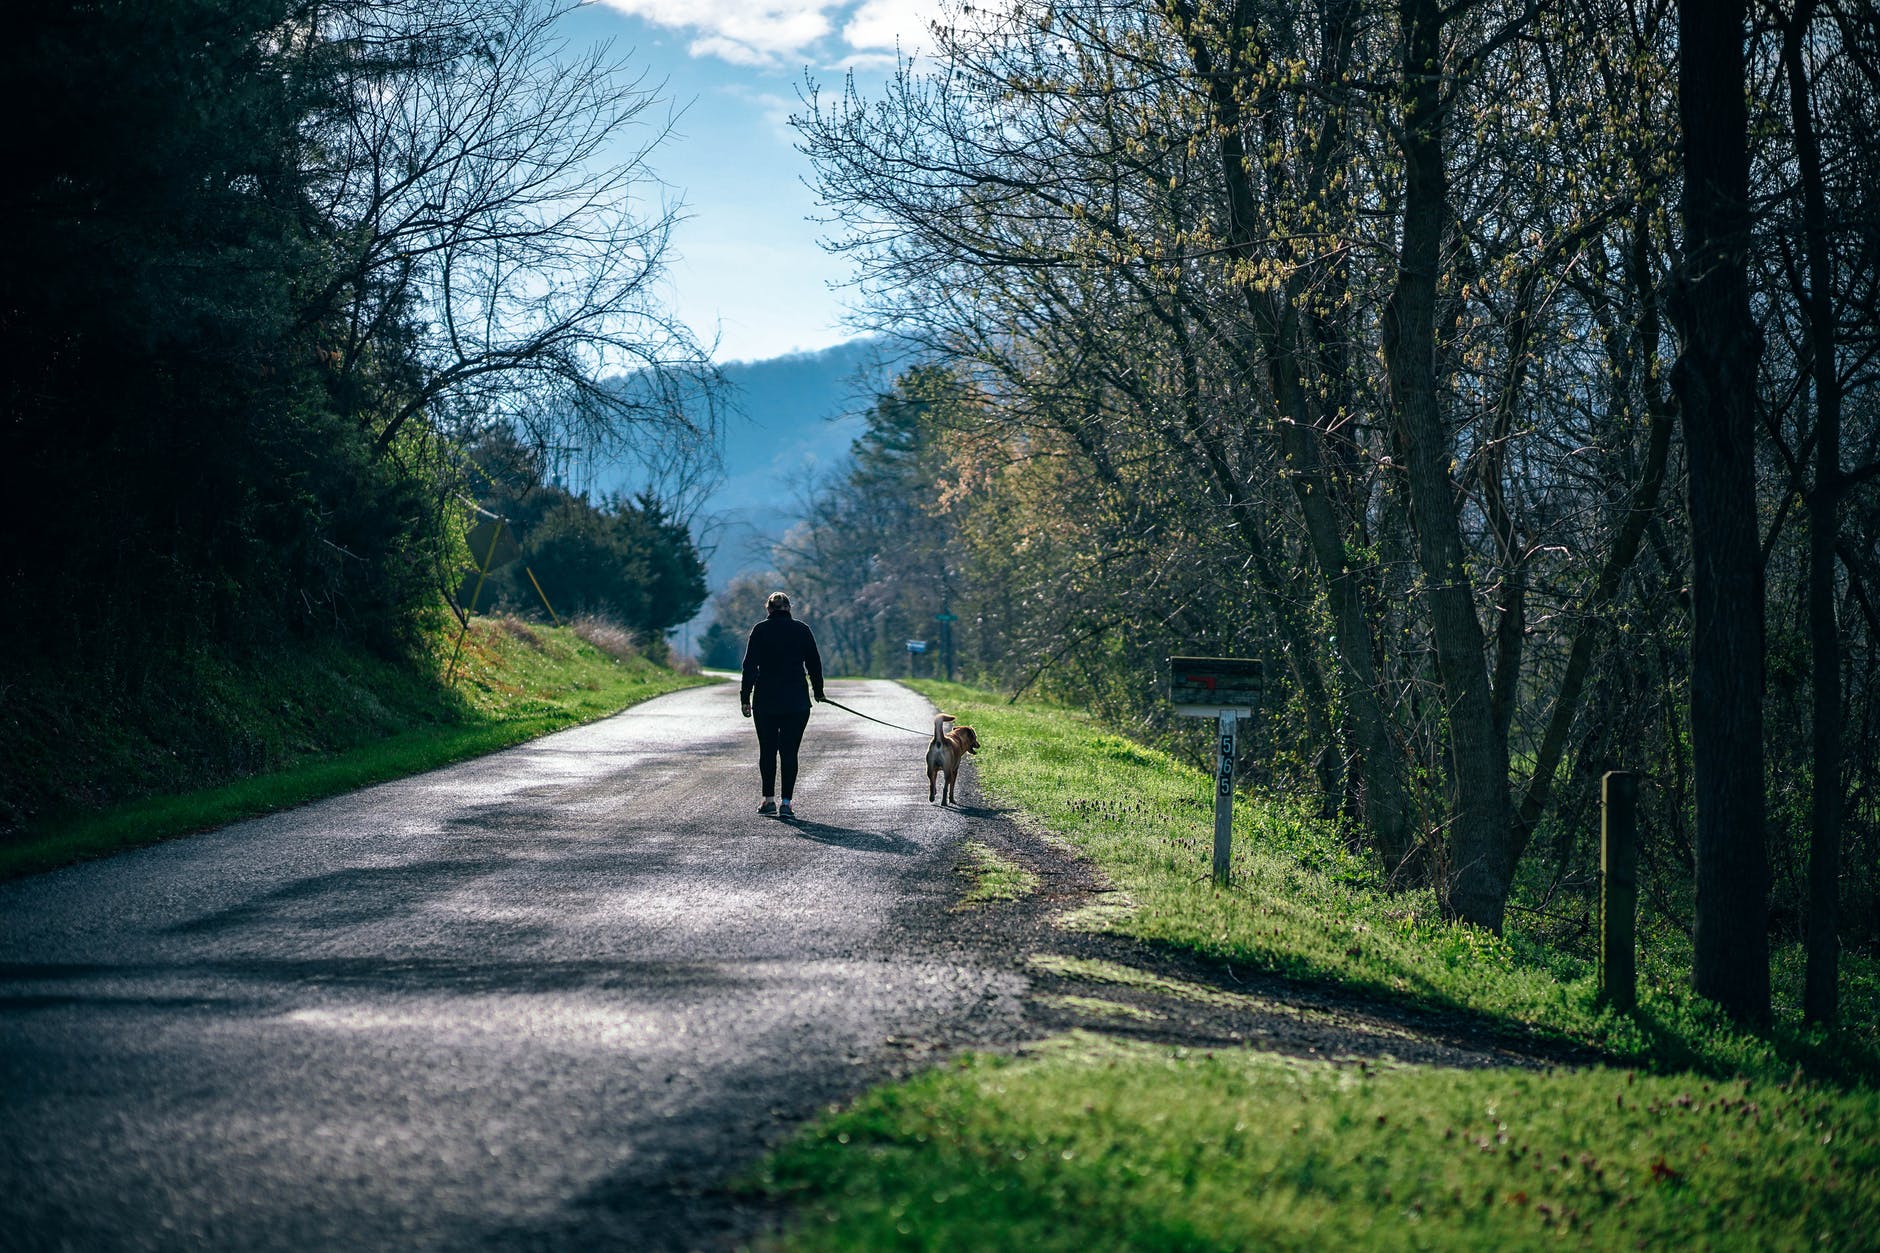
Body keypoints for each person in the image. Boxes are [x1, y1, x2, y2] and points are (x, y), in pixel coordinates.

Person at [739, 591, 825, 819]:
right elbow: (814, 663)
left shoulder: (760, 630)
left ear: (768, 609)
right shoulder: (802, 630)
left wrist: (745, 697)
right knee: (789, 752)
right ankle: (786, 803)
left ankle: (768, 801)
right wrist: (818, 691)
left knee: (767, 750)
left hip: (766, 701)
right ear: (789, 608)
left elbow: (749, 667)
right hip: (796, 701)